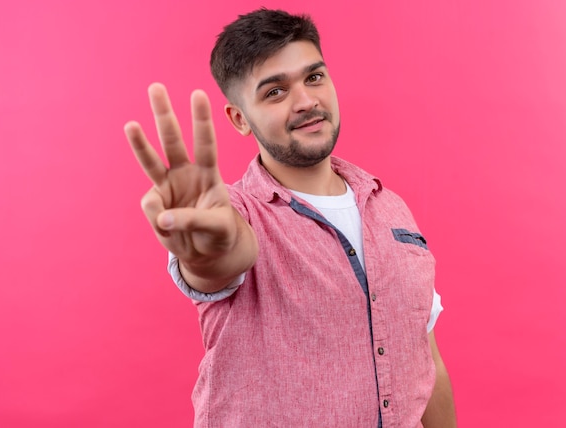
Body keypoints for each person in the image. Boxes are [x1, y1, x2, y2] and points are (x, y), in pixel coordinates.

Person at [125, 8, 457, 428]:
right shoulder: (236, 214)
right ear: (239, 119)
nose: (306, 101)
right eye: (275, 92)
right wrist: (212, 250)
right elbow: (226, 255)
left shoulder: (391, 208)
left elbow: (427, 361)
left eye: (314, 77)